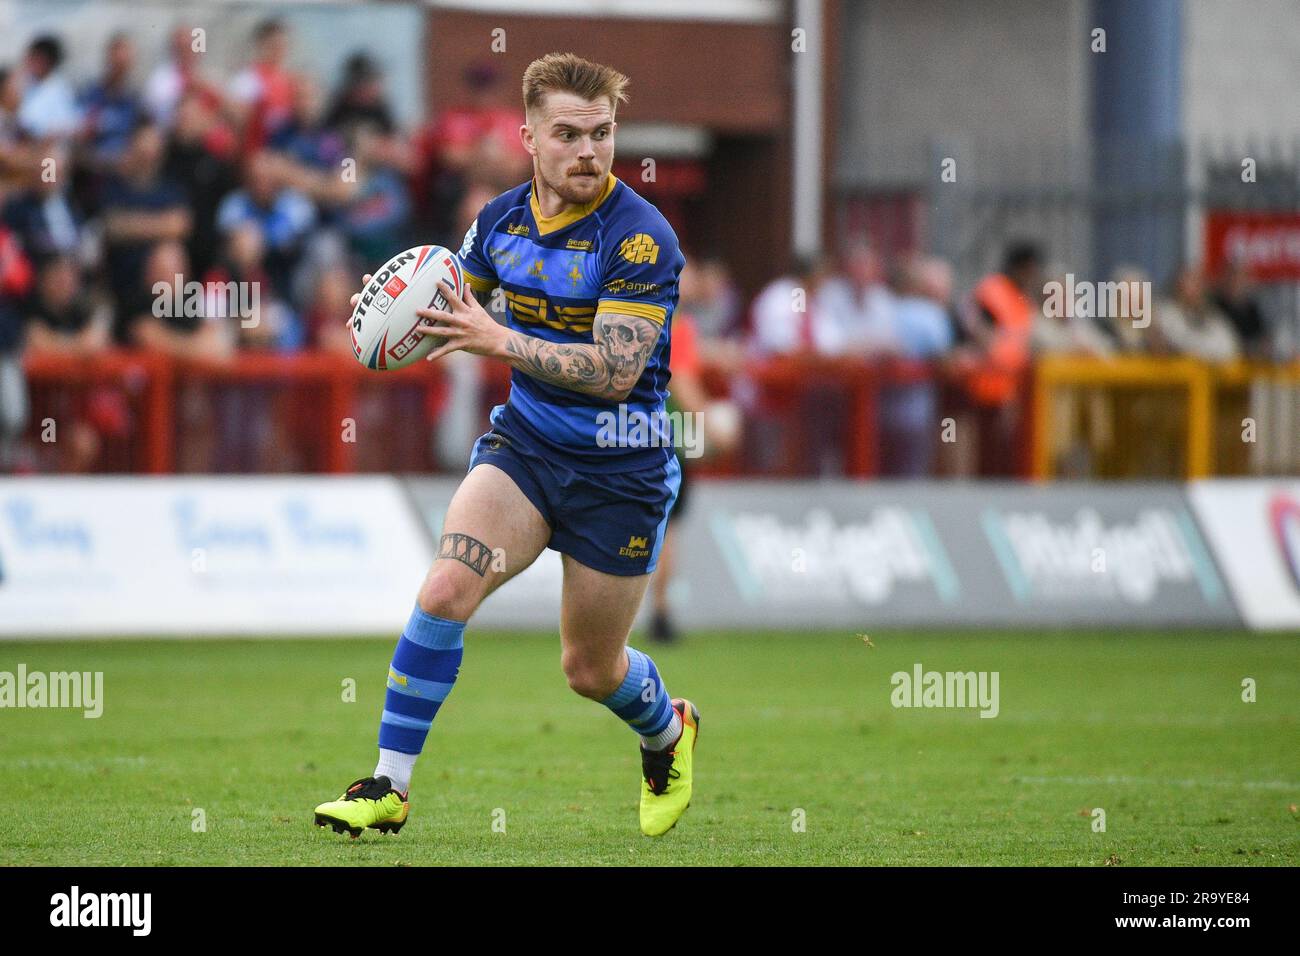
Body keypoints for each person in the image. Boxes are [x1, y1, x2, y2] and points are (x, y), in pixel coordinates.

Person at [312, 53, 698, 840]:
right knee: (445, 591)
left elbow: (615, 374)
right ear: (527, 137)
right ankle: (388, 784)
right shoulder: (498, 223)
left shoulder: (640, 240)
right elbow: (450, 306)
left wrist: (496, 337)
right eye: (568, 134)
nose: (588, 151)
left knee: (589, 671)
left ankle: (668, 731)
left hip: (621, 469)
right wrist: (388, 309)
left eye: (602, 133)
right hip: (524, 450)